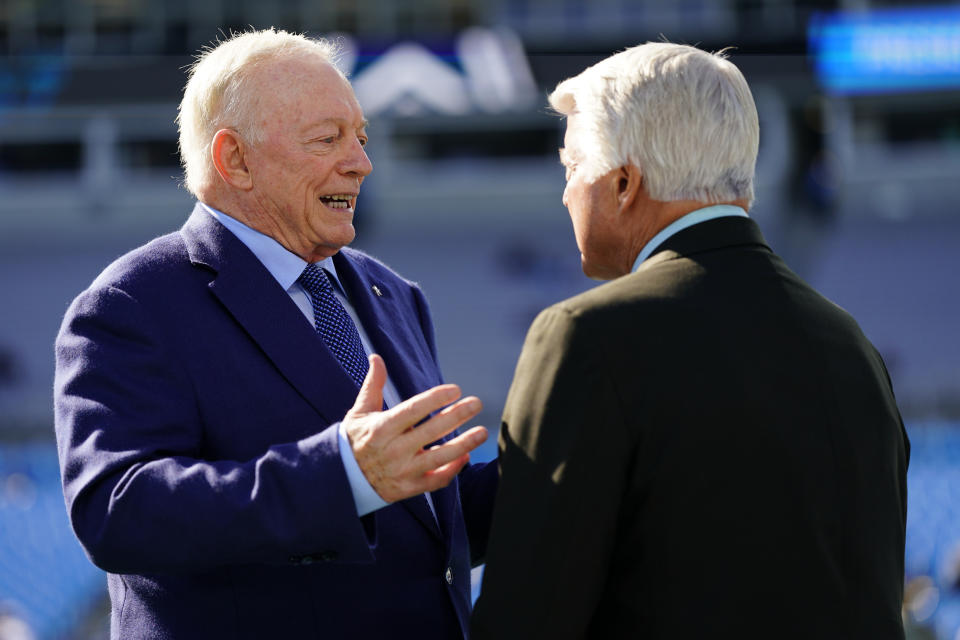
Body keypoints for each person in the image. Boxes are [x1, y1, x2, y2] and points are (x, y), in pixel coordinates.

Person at [54, 29, 497, 640]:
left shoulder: (391, 293)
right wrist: (340, 475)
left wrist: (559, 459)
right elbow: (119, 513)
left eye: (361, 138)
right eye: (327, 139)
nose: (362, 162)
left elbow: (423, 524)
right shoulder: (131, 304)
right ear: (233, 159)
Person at [471, 42, 909, 639]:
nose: (567, 193)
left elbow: (525, 616)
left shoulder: (587, 337)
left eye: (571, 168)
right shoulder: (850, 344)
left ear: (624, 183)